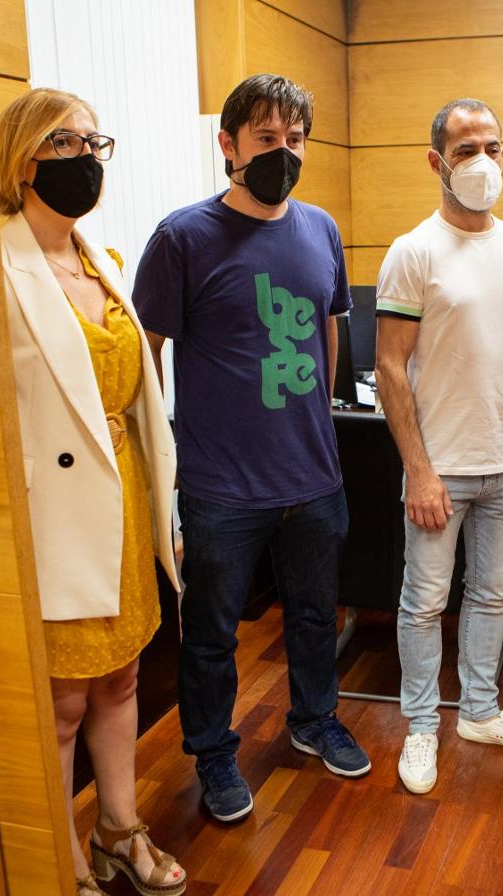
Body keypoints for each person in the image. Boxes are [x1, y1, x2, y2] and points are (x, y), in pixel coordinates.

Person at [132, 74, 369, 824]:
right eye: (267, 138)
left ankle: (314, 719)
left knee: (313, 615)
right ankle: (212, 753)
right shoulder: (182, 238)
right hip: (219, 486)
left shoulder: (322, 229)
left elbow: (328, 330)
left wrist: (319, 427)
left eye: (295, 139)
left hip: (312, 475)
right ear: (228, 145)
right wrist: (159, 460)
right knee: (210, 634)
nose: (283, 153)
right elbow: (145, 354)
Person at [0, 88, 186, 896]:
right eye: (64, 144)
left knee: (122, 680)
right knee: (61, 704)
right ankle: (59, 856)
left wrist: (167, 511)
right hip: (55, 517)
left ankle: (117, 829)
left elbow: (137, 401)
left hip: (125, 497)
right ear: (22, 160)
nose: (84, 159)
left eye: (92, 144)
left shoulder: (99, 260)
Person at [374, 98, 503, 794]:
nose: (483, 162)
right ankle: (422, 725)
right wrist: (418, 470)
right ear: (437, 162)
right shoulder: (413, 251)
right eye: (465, 151)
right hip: (441, 470)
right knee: (424, 602)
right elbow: (389, 367)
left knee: (491, 595)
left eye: (492, 148)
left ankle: (480, 711)